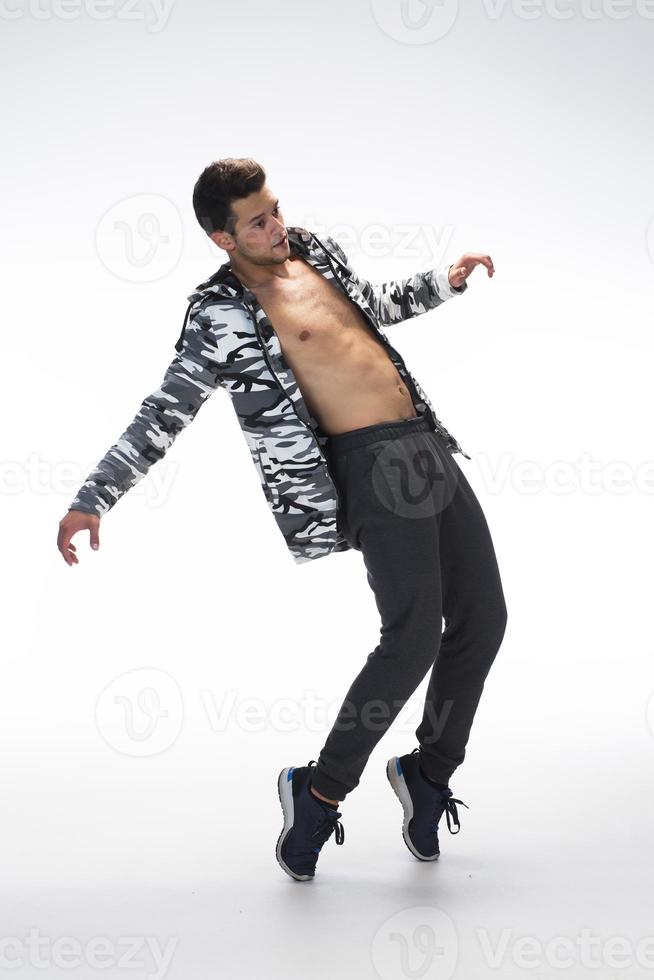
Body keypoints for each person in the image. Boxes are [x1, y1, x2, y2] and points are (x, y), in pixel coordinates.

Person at [57, 158, 507, 882]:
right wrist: (94, 496)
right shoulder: (219, 314)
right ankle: (319, 790)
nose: (277, 228)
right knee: (414, 638)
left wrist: (442, 282)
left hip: (423, 444)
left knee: (484, 619)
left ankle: (428, 773)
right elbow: (162, 412)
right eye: (258, 222)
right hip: (365, 467)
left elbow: (372, 308)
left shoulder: (316, 251)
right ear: (220, 238)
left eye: (276, 210)